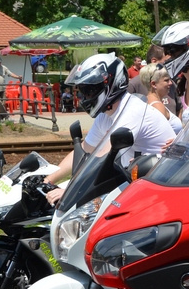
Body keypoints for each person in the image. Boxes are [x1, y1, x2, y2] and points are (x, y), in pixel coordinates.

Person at [43, 53, 175, 203]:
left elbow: (102, 157)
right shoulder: (106, 114)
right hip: (138, 182)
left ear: (112, 83)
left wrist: (69, 191)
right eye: (83, 91)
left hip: (162, 186)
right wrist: (49, 179)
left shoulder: (133, 111)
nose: (85, 97)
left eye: (90, 90)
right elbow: (87, 149)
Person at [138, 61, 183, 133]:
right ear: (153, 84)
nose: (170, 83)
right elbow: (161, 139)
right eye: (166, 80)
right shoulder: (158, 107)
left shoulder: (147, 101)